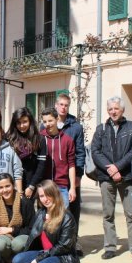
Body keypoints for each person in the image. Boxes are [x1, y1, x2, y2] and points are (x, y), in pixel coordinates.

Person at [91, 96, 132, 261]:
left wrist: (119, 167)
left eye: (116, 108)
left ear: (122, 110)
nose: (113, 111)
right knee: (108, 214)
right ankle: (110, 247)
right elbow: (95, 152)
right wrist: (111, 170)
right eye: (110, 109)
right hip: (106, 178)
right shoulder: (101, 129)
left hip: (127, 177)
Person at [12, 180, 80, 263]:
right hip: (44, 253)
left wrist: (39, 259)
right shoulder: (41, 213)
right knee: (17, 260)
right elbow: (32, 235)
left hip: (63, 256)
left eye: (48, 194)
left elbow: (63, 246)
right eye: (42, 196)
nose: (45, 199)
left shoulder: (67, 217)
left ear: (55, 194)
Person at [0, 173, 35, 262]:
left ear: (13, 185)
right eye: (1, 187)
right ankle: (7, 262)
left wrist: (11, 230)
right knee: (0, 244)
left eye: (7, 186)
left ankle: (19, 262)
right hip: (3, 236)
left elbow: (32, 229)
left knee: (17, 244)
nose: (5, 190)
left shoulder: (25, 203)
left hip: (21, 235)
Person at [55, 93, 85, 226]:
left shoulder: (76, 127)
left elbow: (80, 152)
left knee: (73, 208)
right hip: (54, 174)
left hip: (71, 175)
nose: (63, 108)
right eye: (61, 104)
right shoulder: (47, 125)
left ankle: (74, 238)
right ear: (56, 106)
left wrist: (78, 175)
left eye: (66, 105)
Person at [6, 107, 46, 199]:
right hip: (11, 184)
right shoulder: (9, 138)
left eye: (25, 122)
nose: (22, 125)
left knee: (27, 211)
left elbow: (41, 166)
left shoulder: (39, 139)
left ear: (30, 121)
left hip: (30, 185)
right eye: (18, 123)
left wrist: (31, 186)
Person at [40, 107, 76, 208]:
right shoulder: (39, 138)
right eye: (45, 121)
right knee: (46, 219)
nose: (48, 124)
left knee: (63, 217)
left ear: (57, 119)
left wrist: (72, 188)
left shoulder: (67, 140)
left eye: (50, 120)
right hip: (44, 186)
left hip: (61, 187)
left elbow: (71, 165)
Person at [0, 120, 23, 193]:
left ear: (1, 132)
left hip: (8, 191)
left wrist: (19, 193)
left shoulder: (11, 148)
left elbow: (18, 171)